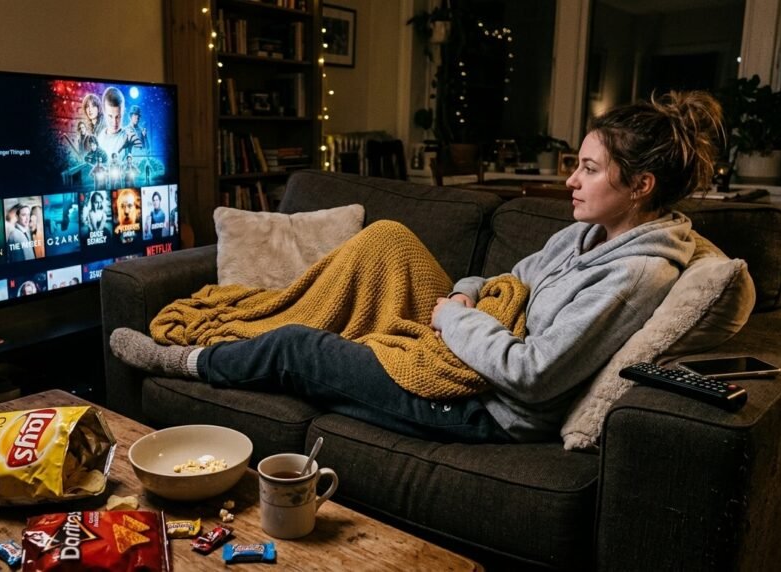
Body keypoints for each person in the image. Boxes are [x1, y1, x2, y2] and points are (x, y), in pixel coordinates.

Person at [110, 91, 722, 444]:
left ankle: (187, 362)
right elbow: (511, 278)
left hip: (487, 403)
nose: (570, 178)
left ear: (640, 185)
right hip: (473, 338)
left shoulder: (639, 274)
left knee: (300, 349)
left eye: (589, 168)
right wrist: (461, 297)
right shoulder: (588, 233)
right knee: (389, 239)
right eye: (577, 163)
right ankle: (267, 315)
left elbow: (533, 375)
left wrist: (453, 322)